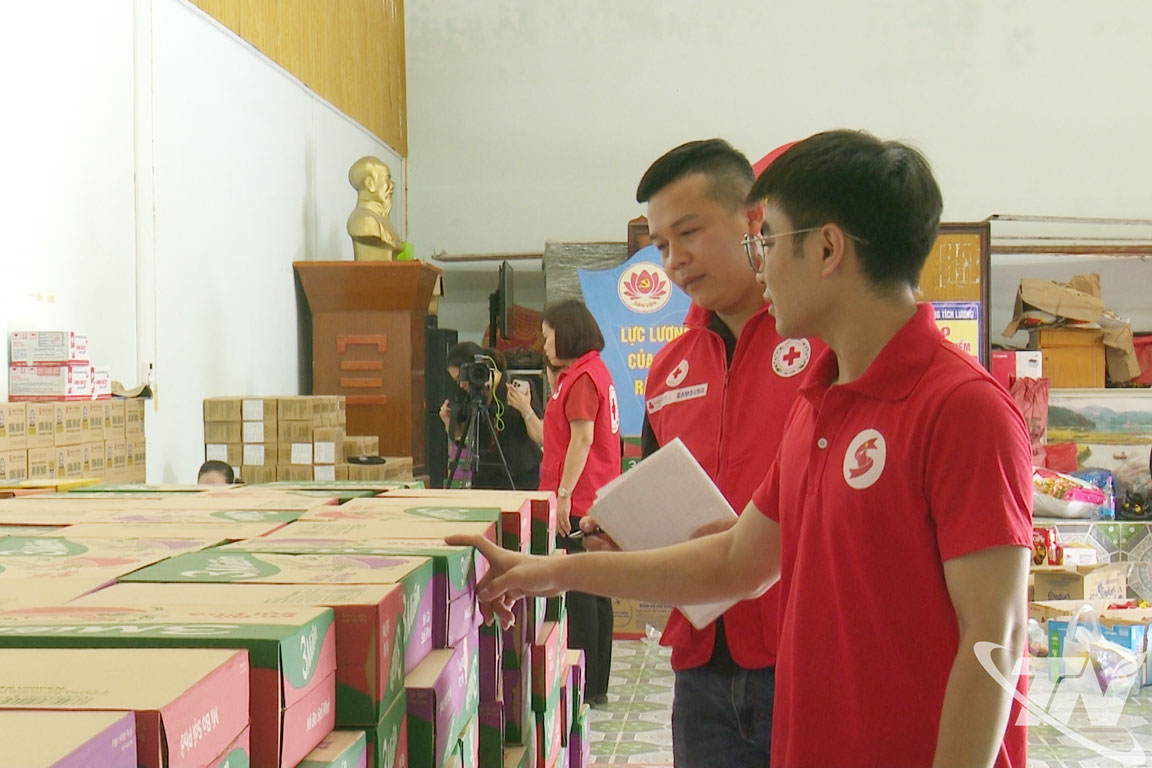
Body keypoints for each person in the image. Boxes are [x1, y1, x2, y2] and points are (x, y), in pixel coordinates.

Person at [451, 130, 1032, 768]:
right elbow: (734, 561)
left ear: (828, 249)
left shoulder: (963, 409)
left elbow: (995, 638)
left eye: (770, 240)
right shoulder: (818, 406)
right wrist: (547, 572)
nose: (761, 261)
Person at [583, 138, 822, 767]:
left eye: (689, 233)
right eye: (662, 245)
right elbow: (655, 490)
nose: (675, 260)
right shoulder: (669, 367)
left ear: (754, 221)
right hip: (701, 667)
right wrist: (626, 539)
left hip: (808, 655)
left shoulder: (824, 345)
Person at [540, 299, 622, 706]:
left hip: (582, 498)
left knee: (582, 592)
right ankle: (596, 684)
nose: (544, 345)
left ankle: (586, 686)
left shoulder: (584, 378)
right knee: (596, 590)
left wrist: (563, 496)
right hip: (595, 495)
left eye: (548, 336)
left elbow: (583, 438)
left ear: (567, 333)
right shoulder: (586, 371)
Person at [440, 342, 542, 490]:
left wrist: (525, 408)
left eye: (461, 378)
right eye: (457, 381)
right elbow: (461, 437)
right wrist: (449, 422)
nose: (461, 385)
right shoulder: (469, 394)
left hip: (519, 477)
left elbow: (540, 436)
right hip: (485, 476)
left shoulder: (516, 387)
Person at [346, 155, 403, 261]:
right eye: (387, 179)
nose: (392, 186)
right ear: (370, 184)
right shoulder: (364, 220)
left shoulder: (381, 221)